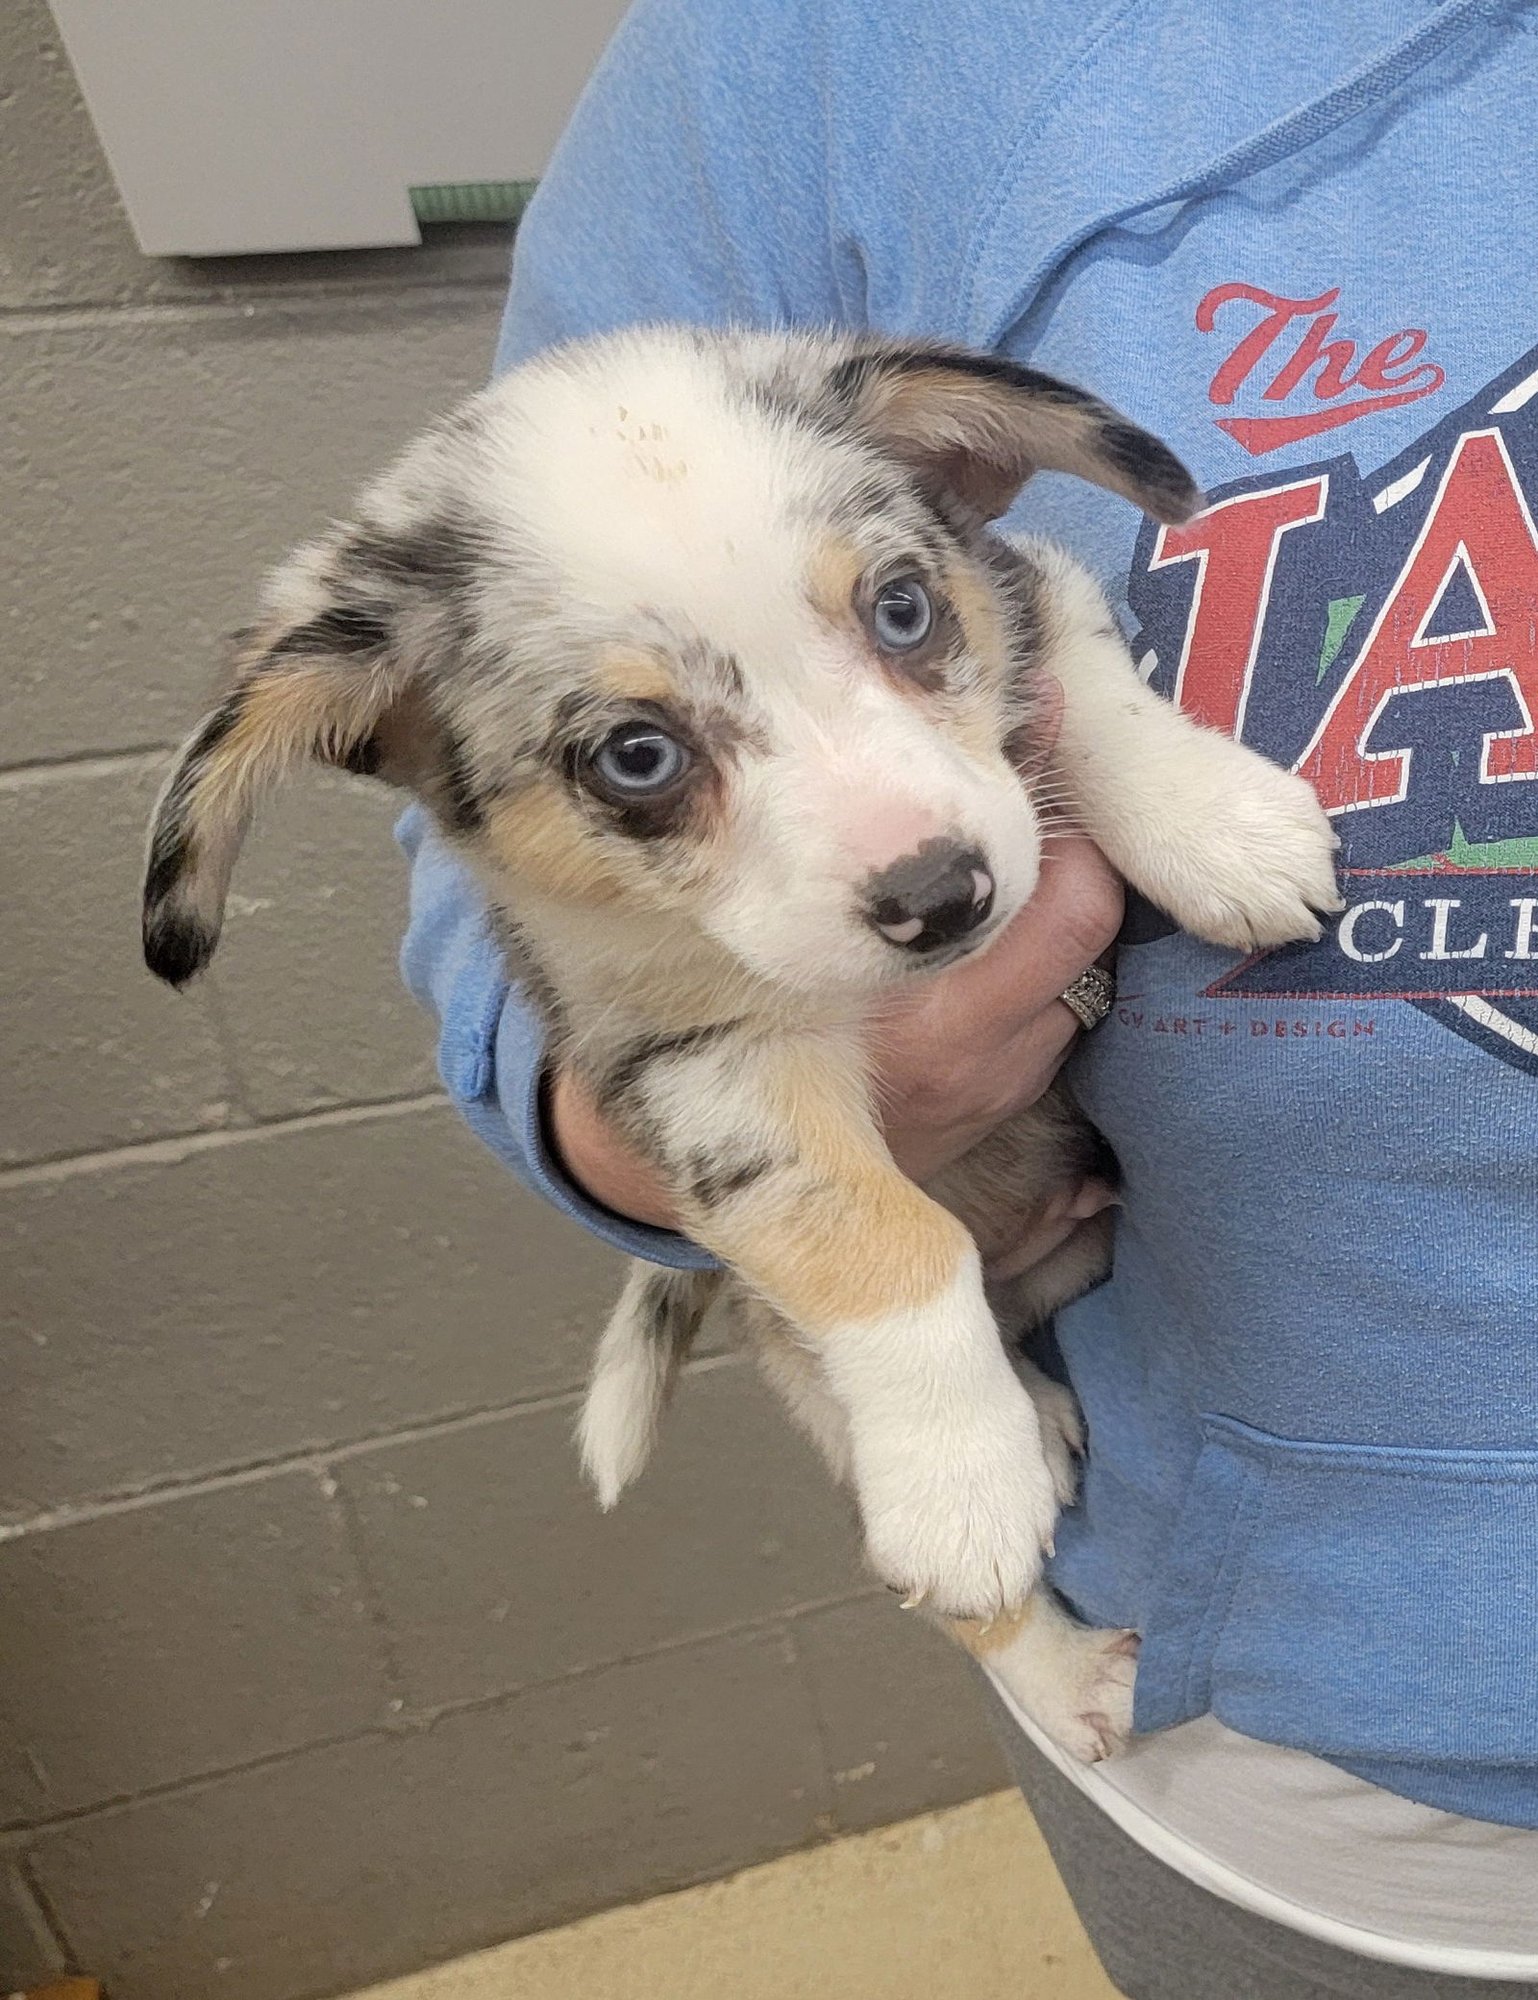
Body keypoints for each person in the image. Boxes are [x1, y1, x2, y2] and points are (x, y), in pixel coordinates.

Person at [399, 2, 1538, 1991]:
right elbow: (479, 816)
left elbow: (1042, 607)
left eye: (898, 613)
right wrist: (714, 1153)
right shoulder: (811, 54)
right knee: (899, 1383)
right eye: (660, 750)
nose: (901, 825)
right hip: (1286, 1745)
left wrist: (1118, 756)